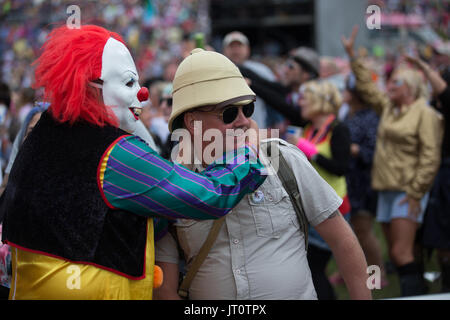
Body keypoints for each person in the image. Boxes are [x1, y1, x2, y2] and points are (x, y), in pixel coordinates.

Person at [0, 25, 267, 300]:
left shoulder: (41, 135)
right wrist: (248, 155)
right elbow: (211, 195)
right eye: (129, 83)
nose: (142, 94)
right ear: (91, 88)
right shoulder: (114, 153)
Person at [153, 48, 371, 300]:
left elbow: (343, 242)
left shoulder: (284, 159)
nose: (244, 120)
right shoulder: (172, 183)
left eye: (248, 108)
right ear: (192, 122)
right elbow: (165, 290)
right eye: (229, 112)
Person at [342, 26, 444, 297]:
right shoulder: (389, 107)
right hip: (385, 188)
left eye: (396, 82)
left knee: (401, 252)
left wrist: (415, 192)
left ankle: (417, 293)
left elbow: (430, 155)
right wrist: (352, 55)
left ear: (411, 87)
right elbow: (366, 86)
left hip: (407, 190)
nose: (388, 86)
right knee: (399, 253)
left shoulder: (425, 114)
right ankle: (416, 291)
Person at [285, 80, 352, 300]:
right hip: (310, 205)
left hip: (333, 207)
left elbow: (341, 168)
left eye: (305, 97)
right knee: (311, 268)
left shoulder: (338, 128)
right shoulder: (309, 128)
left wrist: (307, 149)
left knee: (313, 267)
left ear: (319, 101)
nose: (300, 101)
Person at [406, 54, 450, 293]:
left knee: (442, 236)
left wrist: (423, 66)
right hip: (430, 179)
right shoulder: (428, 110)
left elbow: (446, 95)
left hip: (443, 179)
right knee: (422, 237)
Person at [341, 73, 388, 288]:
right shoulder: (348, 114)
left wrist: (352, 149)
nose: (344, 93)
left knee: (363, 231)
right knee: (350, 233)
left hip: (363, 181)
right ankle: (350, 275)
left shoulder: (370, 117)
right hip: (348, 180)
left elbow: (374, 151)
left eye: (347, 90)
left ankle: (378, 277)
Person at [0, 103, 48, 299]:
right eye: (30, 131)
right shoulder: (12, 186)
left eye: (43, 131)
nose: (35, 137)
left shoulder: (63, 189)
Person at [238, 46, 320, 128]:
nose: (285, 70)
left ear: (306, 74)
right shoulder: (290, 91)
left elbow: (287, 109)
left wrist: (251, 85)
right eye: (286, 65)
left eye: (291, 67)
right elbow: (265, 83)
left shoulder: (313, 97)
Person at [222, 31, 283, 128]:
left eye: (239, 46)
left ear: (248, 49)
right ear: (224, 50)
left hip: (259, 126)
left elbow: (275, 98)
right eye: (232, 47)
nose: (236, 50)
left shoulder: (261, 70)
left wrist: (277, 123)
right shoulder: (219, 72)